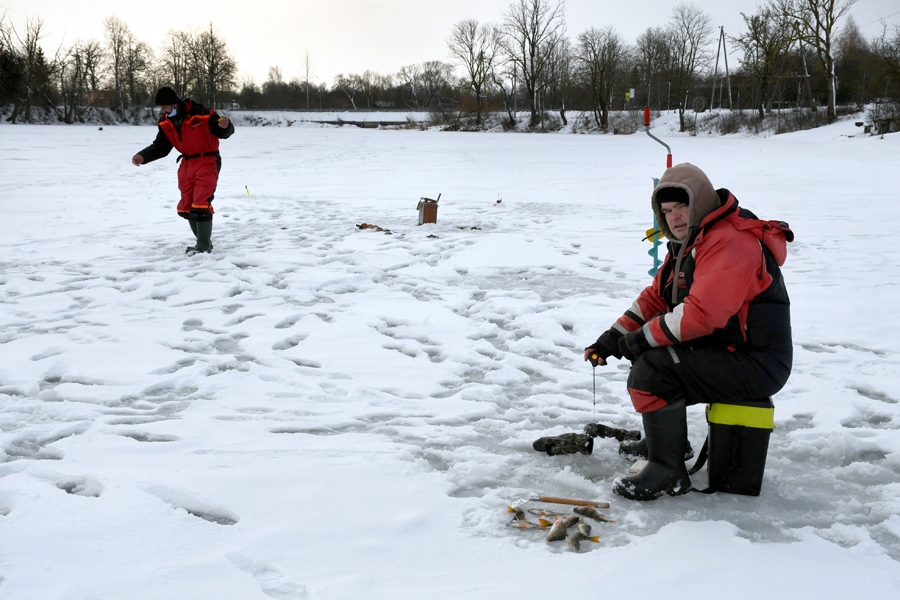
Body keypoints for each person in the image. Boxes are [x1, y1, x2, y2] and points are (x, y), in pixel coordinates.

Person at [584, 163, 793, 501]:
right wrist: (612, 337)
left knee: (651, 371)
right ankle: (665, 444)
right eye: (666, 211)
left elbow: (702, 314)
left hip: (758, 362)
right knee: (651, 359)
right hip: (730, 351)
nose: (675, 217)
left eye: (681, 206)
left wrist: (637, 341)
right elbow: (656, 297)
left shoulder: (730, 241)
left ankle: (668, 472)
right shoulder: (692, 242)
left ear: (700, 203)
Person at [132, 86, 235, 255]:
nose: (163, 110)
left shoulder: (202, 112)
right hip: (187, 164)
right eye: (161, 108)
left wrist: (226, 126)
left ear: (174, 104)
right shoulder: (166, 122)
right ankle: (202, 242)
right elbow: (161, 147)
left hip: (207, 161)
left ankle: (203, 246)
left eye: (164, 107)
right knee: (187, 205)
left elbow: (223, 132)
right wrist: (143, 156)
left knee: (201, 202)